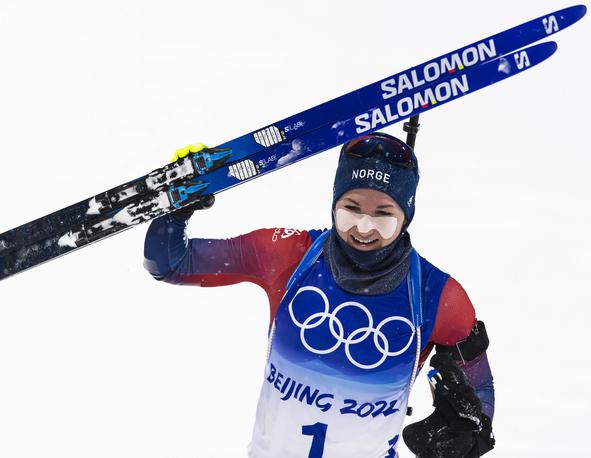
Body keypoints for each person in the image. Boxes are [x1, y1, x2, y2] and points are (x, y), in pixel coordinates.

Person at [143, 133, 495, 457]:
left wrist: (469, 431)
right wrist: (176, 206)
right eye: (351, 209)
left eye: (384, 215)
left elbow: (479, 394)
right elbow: (171, 262)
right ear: (333, 203)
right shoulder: (286, 255)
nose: (363, 228)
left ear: (406, 216)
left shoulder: (440, 297)